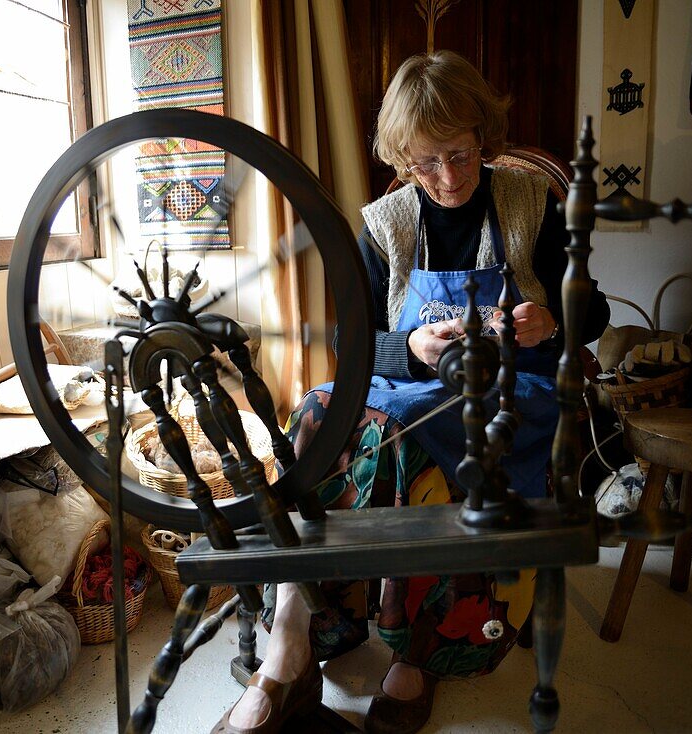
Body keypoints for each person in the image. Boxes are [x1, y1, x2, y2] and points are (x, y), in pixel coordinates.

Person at [213, 51, 610, 734]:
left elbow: (593, 310)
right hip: (413, 381)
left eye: (458, 154)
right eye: (425, 162)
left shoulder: (530, 203)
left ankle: (417, 654)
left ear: (482, 137)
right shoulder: (387, 222)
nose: (447, 177)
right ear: (402, 156)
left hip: (517, 387)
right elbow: (352, 342)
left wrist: (551, 321)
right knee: (316, 410)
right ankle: (292, 634)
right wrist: (413, 349)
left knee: (418, 444)